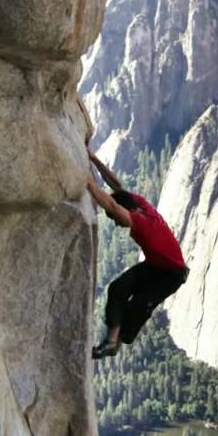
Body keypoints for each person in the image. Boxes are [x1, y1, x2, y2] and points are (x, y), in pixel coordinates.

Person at [85, 149, 189, 359]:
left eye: (116, 219)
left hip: (171, 274)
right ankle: (110, 343)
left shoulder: (142, 223)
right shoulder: (140, 204)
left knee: (136, 310)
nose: (117, 223)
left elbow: (112, 205)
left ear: (129, 212)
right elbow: (117, 186)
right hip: (155, 265)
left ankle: (117, 341)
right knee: (118, 288)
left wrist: (88, 182)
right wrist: (94, 159)